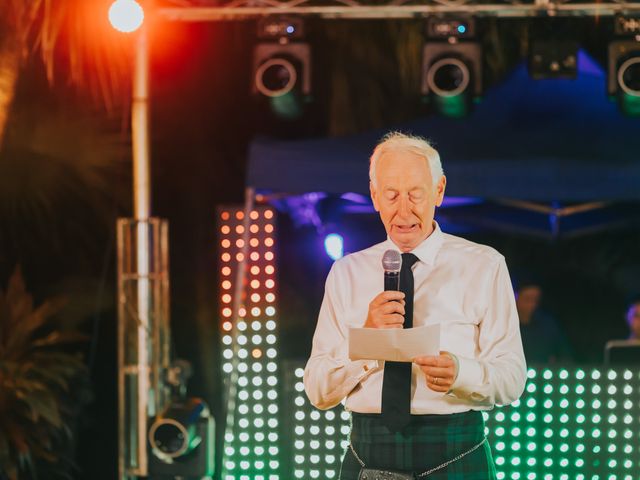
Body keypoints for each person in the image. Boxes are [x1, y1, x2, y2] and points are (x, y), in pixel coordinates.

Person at [304, 132, 527, 480]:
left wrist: (461, 373)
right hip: (368, 453)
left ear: (439, 191)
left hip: (457, 450)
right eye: (391, 196)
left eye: (415, 195)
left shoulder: (484, 265)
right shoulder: (346, 272)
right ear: (375, 196)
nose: (403, 210)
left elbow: (512, 380)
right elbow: (318, 390)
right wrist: (367, 343)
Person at [514, 278, 573, 364]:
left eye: (535, 300)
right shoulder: (502, 325)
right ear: (515, 297)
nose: (532, 304)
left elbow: (566, 356)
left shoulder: (549, 325)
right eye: (527, 299)